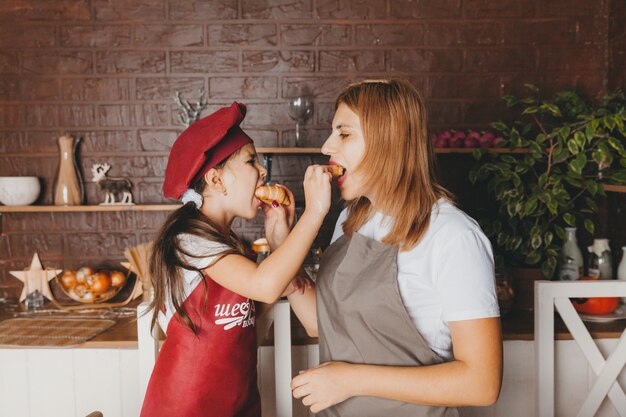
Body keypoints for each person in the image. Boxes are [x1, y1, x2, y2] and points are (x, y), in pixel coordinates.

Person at [288, 79, 503, 416]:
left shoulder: (453, 236)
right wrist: (280, 247)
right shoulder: (351, 220)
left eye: (344, 134)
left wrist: (351, 381)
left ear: (388, 140)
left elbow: (482, 383)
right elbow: (323, 323)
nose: (328, 147)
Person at [140, 102, 332, 417]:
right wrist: (314, 212)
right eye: (251, 161)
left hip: (238, 403)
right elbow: (265, 286)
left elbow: (275, 314)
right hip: (186, 408)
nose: (263, 171)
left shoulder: (233, 247)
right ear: (216, 180)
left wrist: (279, 242)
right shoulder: (188, 241)